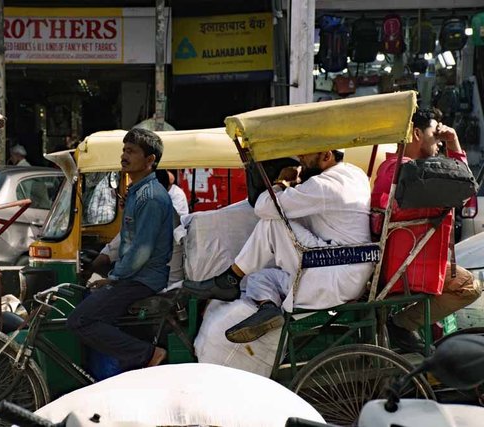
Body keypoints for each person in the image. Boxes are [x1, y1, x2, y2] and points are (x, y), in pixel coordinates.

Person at [184, 149, 373, 344]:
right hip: (346, 268)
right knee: (259, 277)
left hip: (335, 273)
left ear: (327, 156)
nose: (300, 158)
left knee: (272, 222)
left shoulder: (323, 185)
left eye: (306, 154)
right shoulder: (354, 174)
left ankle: (230, 279)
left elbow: (264, 207)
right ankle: (268, 307)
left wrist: (281, 182)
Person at [373, 108, 481, 353]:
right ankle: (401, 324)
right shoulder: (410, 171)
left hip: (407, 260)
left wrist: (449, 141)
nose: (438, 142)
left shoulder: (393, 167)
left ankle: (408, 327)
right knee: (469, 287)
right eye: (435, 134)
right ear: (417, 133)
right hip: (410, 266)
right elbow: (464, 187)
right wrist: (453, 142)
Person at [67, 128, 174, 371]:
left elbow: (141, 251)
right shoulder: (136, 192)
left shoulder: (151, 197)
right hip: (134, 277)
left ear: (150, 161)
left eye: (132, 151)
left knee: (79, 321)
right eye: (124, 150)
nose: (124, 156)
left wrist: (113, 278)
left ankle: (148, 354)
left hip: (143, 280)